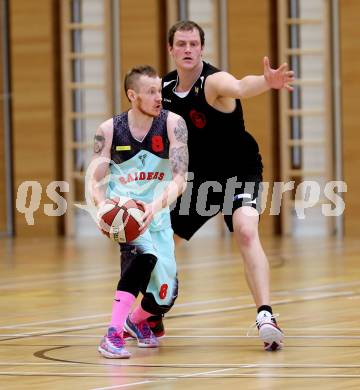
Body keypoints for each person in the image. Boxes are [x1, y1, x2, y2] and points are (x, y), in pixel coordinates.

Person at [159, 20, 295, 351]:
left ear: (202, 48)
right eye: (182, 43)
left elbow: (240, 85)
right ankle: (148, 312)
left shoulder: (213, 81)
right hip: (200, 177)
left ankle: (265, 315)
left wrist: (265, 81)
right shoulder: (163, 88)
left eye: (194, 43)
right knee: (162, 242)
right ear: (171, 49)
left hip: (239, 170)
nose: (188, 49)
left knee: (246, 230)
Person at [89, 65, 188, 358]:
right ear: (133, 95)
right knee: (143, 259)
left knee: (165, 297)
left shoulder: (173, 124)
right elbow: (95, 181)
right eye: (151, 92)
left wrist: (154, 207)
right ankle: (113, 334)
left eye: (160, 90)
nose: (159, 97)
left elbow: (180, 178)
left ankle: (138, 321)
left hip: (157, 215)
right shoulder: (109, 130)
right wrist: (103, 208)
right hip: (126, 214)